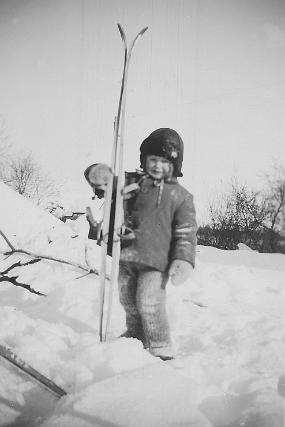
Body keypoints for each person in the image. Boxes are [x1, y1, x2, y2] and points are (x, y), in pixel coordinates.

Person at [119, 128, 197, 360]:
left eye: (165, 162)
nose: (157, 166)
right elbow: (105, 182)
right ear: (144, 160)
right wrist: (99, 174)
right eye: (153, 159)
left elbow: (186, 231)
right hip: (128, 256)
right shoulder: (131, 184)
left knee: (149, 301)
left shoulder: (180, 196)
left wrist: (183, 258)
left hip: (157, 261)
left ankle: (160, 346)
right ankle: (135, 337)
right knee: (128, 300)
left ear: (175, 165)